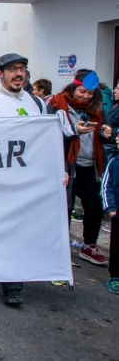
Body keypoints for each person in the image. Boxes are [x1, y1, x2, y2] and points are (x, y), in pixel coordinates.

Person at [0, 53, 56, 305]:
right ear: (0, 74)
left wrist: (57, 170)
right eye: (12, 69)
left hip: (27, 182)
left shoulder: (38, 104)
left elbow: (46, 142)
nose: (18, 74)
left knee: (19, 231)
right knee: (0, 229)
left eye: (22, 69)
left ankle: (13, 283)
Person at [49, 70, 114, 267]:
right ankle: (60, 250)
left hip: (90, 165)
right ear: (73, 87)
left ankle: (89, 246)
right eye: (82, 92)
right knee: (65, 206)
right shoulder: (57, 104)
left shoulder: (97, 108)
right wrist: (73, 130)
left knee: (94, 203)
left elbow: (105, 132)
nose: (85, 96)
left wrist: (105, 132)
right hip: (67, 163)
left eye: (89, 94)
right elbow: (49, 132)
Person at [101, 136, 119, 294]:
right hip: (117, 212)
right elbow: (107, 186)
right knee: (116, 247)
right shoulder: (114, 163)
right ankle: (115, 277)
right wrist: (110, 206)